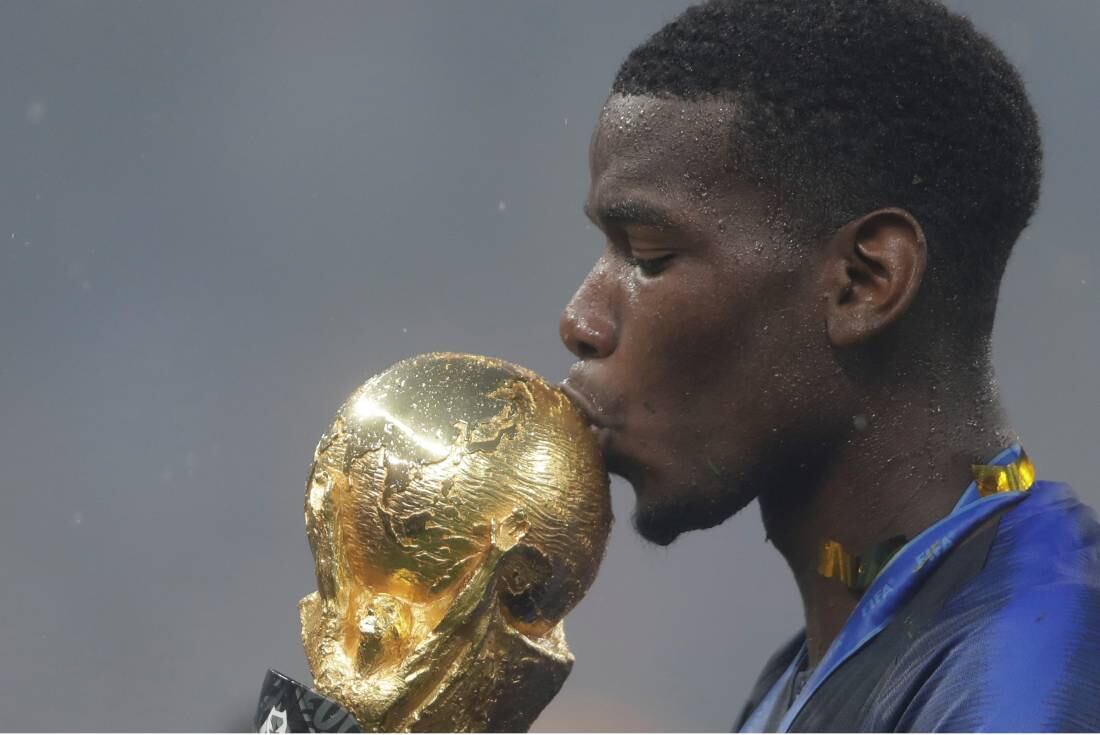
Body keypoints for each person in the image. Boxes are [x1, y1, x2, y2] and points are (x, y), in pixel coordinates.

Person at [558, 0, 1100, 731]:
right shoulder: (807, 673)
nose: (580, 320)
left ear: (863, 281)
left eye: (649, 258)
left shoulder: (1029, 670)